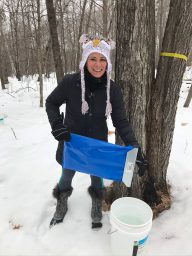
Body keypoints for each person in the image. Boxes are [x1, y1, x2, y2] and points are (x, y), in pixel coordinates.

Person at [45, 34, 147, 229]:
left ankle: (96, 202)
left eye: (102, 60)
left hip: (97, 142)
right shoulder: (70, 82)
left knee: (96, 174)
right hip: (71, 141)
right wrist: (57, 125)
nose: (97, 65)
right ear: (85, 60)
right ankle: (62, 200)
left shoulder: (113, 89)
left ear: (107, 63)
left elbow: (121, 122)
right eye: (93, 58)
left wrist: (135, 148)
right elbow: (51, 102)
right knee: (67, 174)